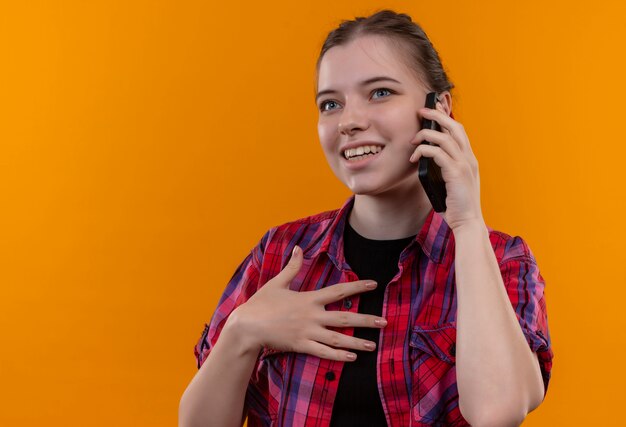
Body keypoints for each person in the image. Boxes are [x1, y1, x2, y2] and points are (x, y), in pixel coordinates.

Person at [179, 9, 553, 427]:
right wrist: (241, 333)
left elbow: (497, 413)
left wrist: (466, 223)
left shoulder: (503, 260)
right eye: (331, 103)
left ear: (439, 109)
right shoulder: (281, 253)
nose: (349, 122)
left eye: (380, 93)